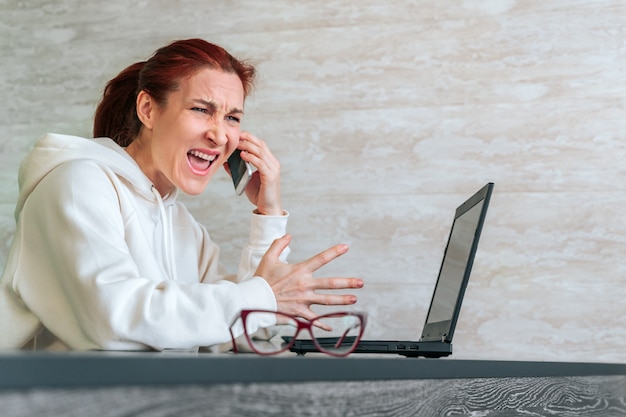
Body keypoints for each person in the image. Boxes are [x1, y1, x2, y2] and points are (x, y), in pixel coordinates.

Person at [0, 38, 363, 351]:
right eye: (201, 110)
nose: (220, 136)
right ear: (148, 109)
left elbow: (247, 333)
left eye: (233, 118)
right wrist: (262, 296)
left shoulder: (182, 226)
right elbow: (113, 321)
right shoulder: (76, 183)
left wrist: (268, 214)